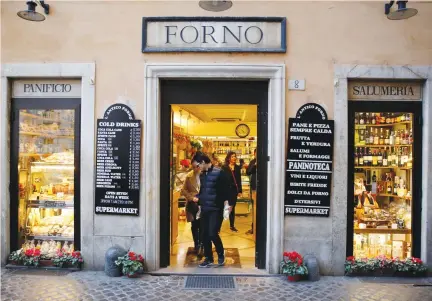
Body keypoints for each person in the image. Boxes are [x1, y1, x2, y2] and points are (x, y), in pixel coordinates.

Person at [193, 152, 230, 268]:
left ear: (203, 162)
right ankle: (208, 258)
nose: (198, 167)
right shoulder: (202, 175)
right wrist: (198, 199)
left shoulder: (220, 173)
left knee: (212, 233)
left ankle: (220, 253)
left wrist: (226, 206)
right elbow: (203, 191)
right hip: (205, 209)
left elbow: (226, 191)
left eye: (198, 165)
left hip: (215, 209)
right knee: (204, 235)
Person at [180, 159, 202, 254]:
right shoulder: (189, 176)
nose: (195, 169)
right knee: (194, 225)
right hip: (192, 204)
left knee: (202, 225)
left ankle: (202, 244)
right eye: (193, 167)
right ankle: (196, 244)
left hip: (203, 204)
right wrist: (191, 198)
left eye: (196, 166)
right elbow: (183, 190)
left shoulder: (206, 175)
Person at [222, 152, 242, 232]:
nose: (234, 158)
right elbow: (222, 179)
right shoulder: (224, 167)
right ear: (229, 158)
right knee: (224, 207)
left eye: (235, 156)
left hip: (234, 191)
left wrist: (240, 190)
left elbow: (239, 180)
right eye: (232, 156)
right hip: (226, 190)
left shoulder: (237, 168)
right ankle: (218, 226)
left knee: (232, 208)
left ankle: (232, 225)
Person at [246, 149, 257, 238]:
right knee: (254, 208)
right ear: (254, 154)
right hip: (254, 188)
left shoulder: (264, 161)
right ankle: (253, 228)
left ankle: (258, 228)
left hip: (262, 188)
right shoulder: (252, 162)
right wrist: (254, 166)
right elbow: (248, 172)